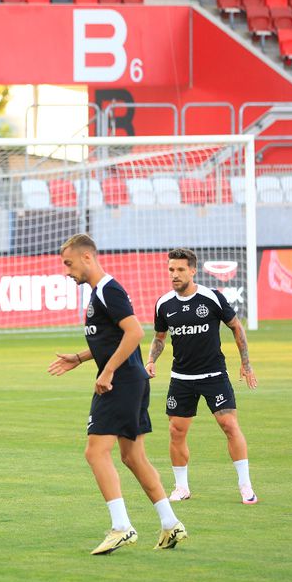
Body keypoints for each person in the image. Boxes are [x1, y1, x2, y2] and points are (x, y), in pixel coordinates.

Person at [48, 234, 187, 555]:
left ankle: (121, 526)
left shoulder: (108, 289)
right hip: (132, 380)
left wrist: (108, 371)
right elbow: (112, 338)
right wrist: (80, 358)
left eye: (69, 263)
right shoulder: (100, 292)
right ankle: (170, 524)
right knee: (133, 457)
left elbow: (135, 331)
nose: (66, 271)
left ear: (87, 257)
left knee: (95, 452)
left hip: (120, 382)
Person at [145, 248, 259, 504]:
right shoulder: (164, 304)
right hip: (181, 378)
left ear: (193, 270)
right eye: (171, 269)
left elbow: (236, 327)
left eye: (180, 269)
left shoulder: (211, 297)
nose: (174, 274)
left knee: (229, 426)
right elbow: (160, 338)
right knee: (176, 431)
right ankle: (181, 488)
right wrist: (151, 360)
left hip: (214, 375)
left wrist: (246, 364)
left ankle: (246, 486)